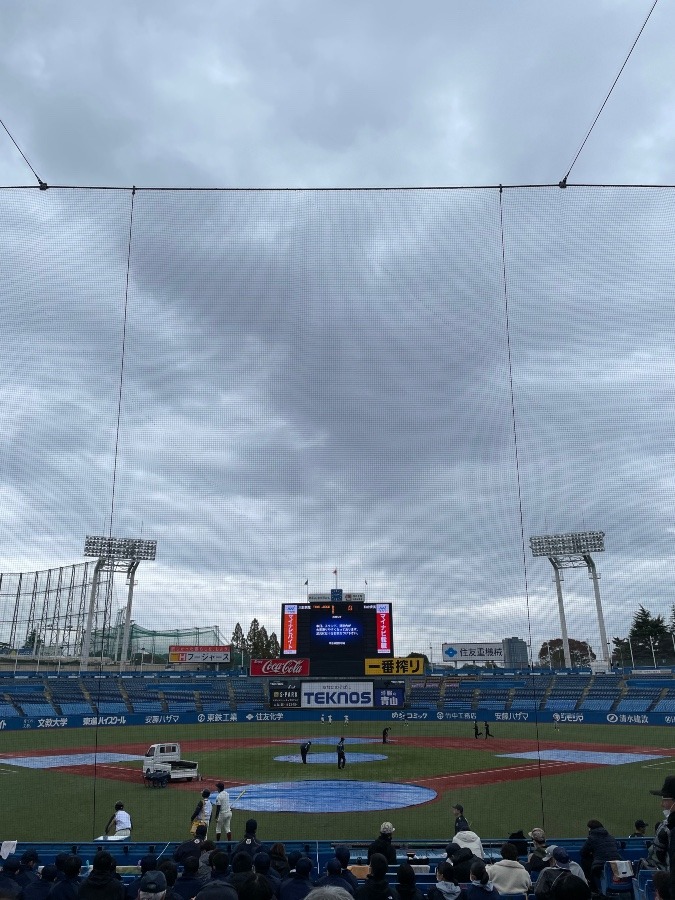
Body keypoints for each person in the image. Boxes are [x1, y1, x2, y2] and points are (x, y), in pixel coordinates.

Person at [579, 819, 622, 890]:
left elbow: (582, 852)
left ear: (590, 829)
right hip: (617, 864)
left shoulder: (591, 838)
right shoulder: (611, 837)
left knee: (585, 860)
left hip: (601, 865)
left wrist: (592, 854)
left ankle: (592, 889)